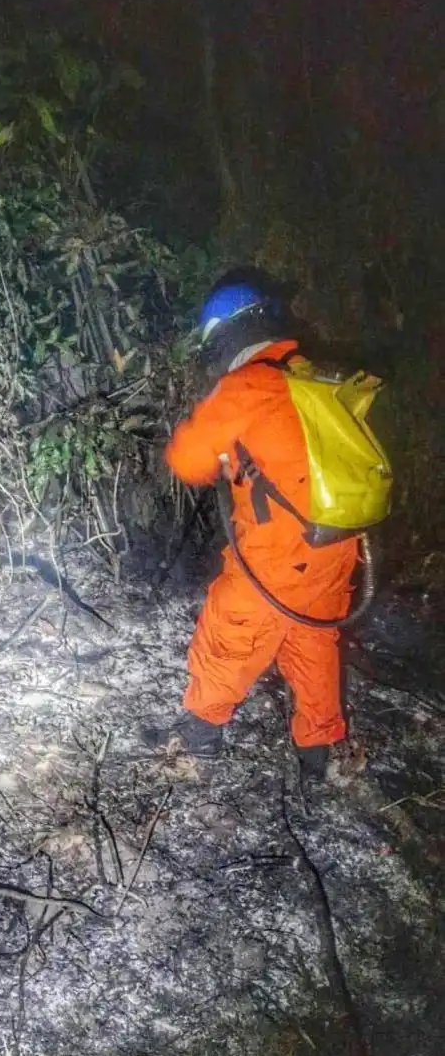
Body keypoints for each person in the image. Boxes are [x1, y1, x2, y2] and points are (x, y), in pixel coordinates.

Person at [145, 269, 358, 783]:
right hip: (338, 542)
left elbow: (186, 460)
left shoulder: (247, 386)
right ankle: (320, 752)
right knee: (312, 641)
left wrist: (212, 440)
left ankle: (197, 740)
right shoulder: (315, 374)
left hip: (280, 551)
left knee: (229, 630)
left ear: (224, 336)